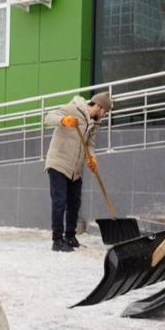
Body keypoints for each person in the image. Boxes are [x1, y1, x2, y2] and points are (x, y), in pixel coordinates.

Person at [43, 92, 111, 252]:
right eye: (105, 112)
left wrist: (92, 158)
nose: (104, 115)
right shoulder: (73, 109)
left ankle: (70, 236)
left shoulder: (94, 123)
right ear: (99, 106)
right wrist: (63, 120)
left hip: (75, 169)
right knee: (59, 202)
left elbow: (90, 145)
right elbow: (48, 118)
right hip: (59, 163)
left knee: (74, 203)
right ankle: (57, 240)